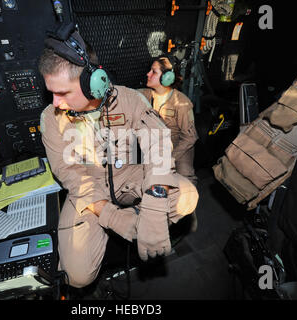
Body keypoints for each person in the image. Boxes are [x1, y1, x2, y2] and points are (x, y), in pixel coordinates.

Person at [38, 24, 199, 288]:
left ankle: (142, 218)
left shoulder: (131, 100)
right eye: (51, 92)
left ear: (93, 84)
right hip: (88, 192)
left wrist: (155, 207)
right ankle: (128, 223)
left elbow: (157, 149)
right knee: (77, 277)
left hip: (131, 178)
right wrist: (112, 216)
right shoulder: (51, 118)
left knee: (187, 195)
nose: (55, 102)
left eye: (62, 92)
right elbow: (70, 175)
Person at [139, 56, 199, 186]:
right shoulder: (144, 95)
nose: (148, 74)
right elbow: (125, 95)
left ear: (167, 78)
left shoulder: (182, 103)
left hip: (179, 148)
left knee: (185, 182)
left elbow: (190, 137)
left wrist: (170, 158)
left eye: (153, 72)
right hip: (155, 147)